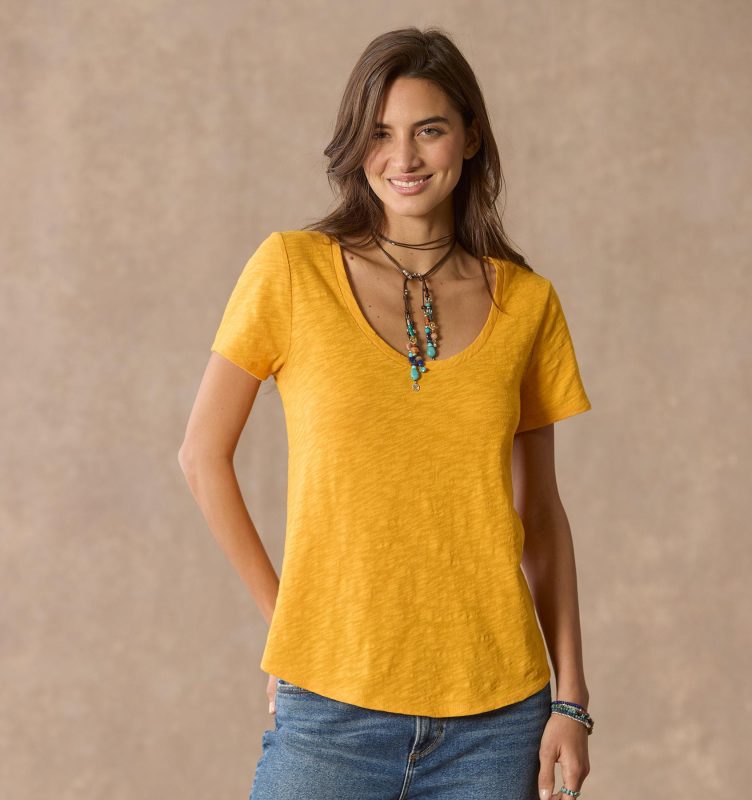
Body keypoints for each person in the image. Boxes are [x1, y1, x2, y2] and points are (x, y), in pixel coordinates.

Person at [179, 25, 594, 800]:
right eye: (379, 134)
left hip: (497, 723)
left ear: (470, 137)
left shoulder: (528, 305)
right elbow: (202, 458)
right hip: (331, 712)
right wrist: (288, 625)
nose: (403, 158)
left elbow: (540, 514)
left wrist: (570, 699)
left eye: (428, 130)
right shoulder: (292, 271)